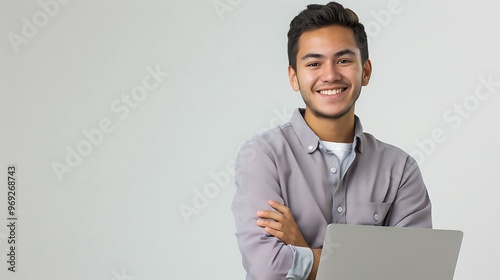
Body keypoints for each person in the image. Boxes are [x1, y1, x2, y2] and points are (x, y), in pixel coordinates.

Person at [231, 2, 432, 279]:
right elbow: (268, 268)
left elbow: (417, 273)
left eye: (344, 60)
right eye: (314, 63)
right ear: (294, 77)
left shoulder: (399, 169)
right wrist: (370, 266)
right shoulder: (263, 157)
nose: (330, 75)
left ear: (366, 71)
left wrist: (301, 247)